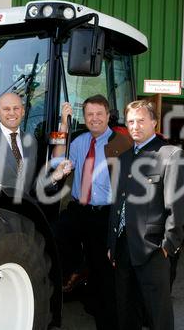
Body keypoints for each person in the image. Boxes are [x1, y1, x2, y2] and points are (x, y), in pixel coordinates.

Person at [107, 100, 184, 330]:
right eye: (131, 121)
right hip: (123, 250)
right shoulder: (123, 158)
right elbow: (118, 204)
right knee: (126, 314)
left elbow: (178, 206)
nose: (135, 126)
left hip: (153, 251)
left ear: (154, 122)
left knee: (158, 317)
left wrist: (168, 246)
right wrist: (112, 244)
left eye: (141, 120)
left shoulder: (170, 155)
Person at [51, 94, 132, 329]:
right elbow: (57, 161)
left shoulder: (121, 143)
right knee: (55, 234)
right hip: (79, 209)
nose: (94, 118)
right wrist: (63, 126)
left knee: (104, 273)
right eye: (89, 115)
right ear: (84, 118)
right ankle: (79, 267)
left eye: (99, 114)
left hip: (105, 214)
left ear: (108, 116)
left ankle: (106, 322)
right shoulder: (79, 142)